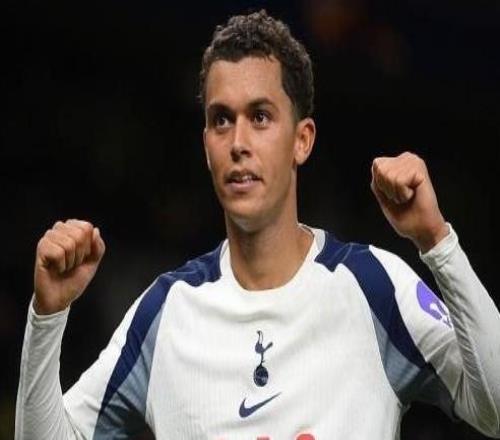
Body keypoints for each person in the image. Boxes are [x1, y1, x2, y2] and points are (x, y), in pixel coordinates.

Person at [15, 10, 500, 440]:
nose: (238, 143)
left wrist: (437, 241)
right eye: (221, 120)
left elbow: (495, 411)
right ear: (206, 145)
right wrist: (47, 315)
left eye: (261, 117)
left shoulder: (373, 287)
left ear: (302, 140)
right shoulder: (167, 312)